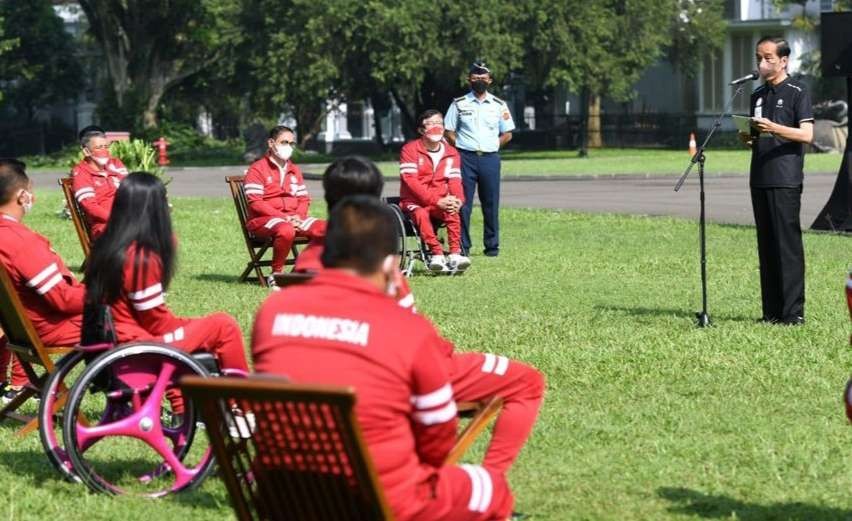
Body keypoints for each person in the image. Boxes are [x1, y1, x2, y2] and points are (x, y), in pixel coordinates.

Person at [253, 196, 517, 520]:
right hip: (384, 499)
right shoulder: (407, 328)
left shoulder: (271, 313)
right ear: (391, 266)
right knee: (491, 487)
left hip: (286, 496)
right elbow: (438, 436)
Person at [297, 158, 544, 476]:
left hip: (327, 383)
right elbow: (415, 346)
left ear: (328, 197)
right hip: (391, 382)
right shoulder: (376, 266)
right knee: (526, 381)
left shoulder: (302, 267)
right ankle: (491, 481)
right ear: (375, 202)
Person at [83, 172, 249, 374]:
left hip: (110, 339)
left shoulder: (104, 247)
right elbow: (157, 323)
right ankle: (239, 400)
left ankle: (184, 404)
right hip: (137, 345)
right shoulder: (141, 258)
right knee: (223, 325)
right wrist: (191, 326)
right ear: (154, 209)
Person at [739, 37, 814, 325]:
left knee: (787, 246)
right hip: (759, 175)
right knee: (767, 245)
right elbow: (757, 136)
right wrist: (748, 136)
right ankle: (770, 312)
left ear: (783, 61)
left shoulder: (798, 91)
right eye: (759, 57)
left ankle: (793, 313)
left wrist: (776, 128)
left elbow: (807, 135)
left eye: (768, 58)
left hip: (785, 178)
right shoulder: (756, 95)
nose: (761, 63)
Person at [0, 158, 84, 400]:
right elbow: (64, 301)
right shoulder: (21, 241)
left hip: (21, 329)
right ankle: (156, 403)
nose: (33, 197)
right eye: (31, 191)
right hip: (48, 328)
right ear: (21, 196)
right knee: (132, 323)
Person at [445, 61, 515, 258]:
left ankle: (492, 247)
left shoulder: (499, 105)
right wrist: (460, 146)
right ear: (469, 80)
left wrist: (493, 146)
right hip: (465, 157)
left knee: (491, 203)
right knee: (463, 203)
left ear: (490, 80)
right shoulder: (459, 103)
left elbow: (507, 133)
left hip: (490, 159)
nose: (479, 81)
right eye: (475, 78)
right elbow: (448, 131)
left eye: (483, 78)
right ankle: (463, 246)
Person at [244, 125, 324, 285]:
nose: (288, 147)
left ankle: (304, 270)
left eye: (291, 143)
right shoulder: (257, 169)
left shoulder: (294, 170)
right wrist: (285, 218)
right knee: (285, 230)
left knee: (328, 228)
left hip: (294, 217)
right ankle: (277, 274)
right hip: (264, 220)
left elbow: (303, 199)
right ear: (271, 143)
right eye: (284, 142)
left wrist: (298, 217)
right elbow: (256, 203)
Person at [400, 109, 470, 272]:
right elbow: (410, 181)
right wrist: (436, 200)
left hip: (441, 200)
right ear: (421, 130)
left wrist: (458, 200)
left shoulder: (451, 153)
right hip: (414, 201)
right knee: (421, 214)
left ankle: (455, 254)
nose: (435, 127)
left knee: (452, 209)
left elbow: (455, 181)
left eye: (439, 123)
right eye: (430, 124)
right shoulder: (409, 150)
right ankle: (436, 253)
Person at [71, 125, 128, 239]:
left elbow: (132, 189)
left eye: (106, 147)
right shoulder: (81, 172)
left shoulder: (115, 163)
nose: (104, 151)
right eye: (99, 147)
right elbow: (90, 206)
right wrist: (116, 219)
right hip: (106, 226)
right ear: (87, 151)